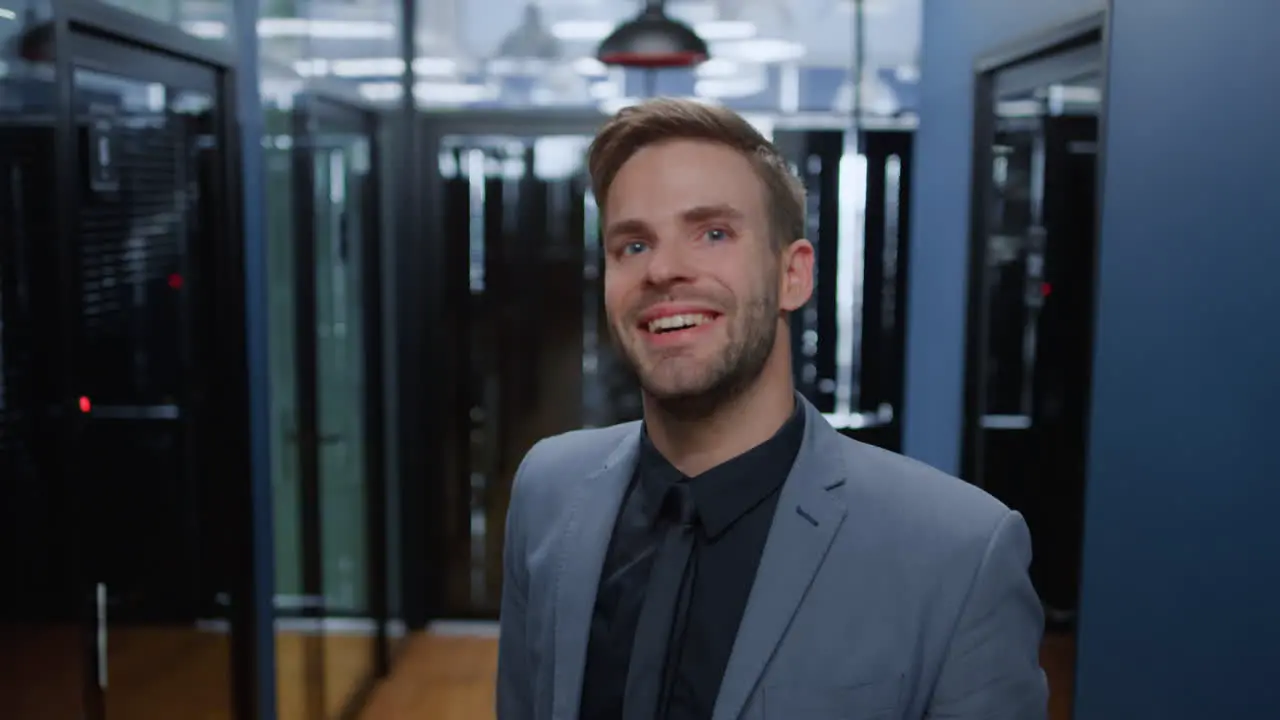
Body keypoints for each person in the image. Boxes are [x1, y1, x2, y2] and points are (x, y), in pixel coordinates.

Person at [496, 97, 1047, 720]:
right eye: (633, 245)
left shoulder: (960, 552)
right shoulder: (547, 490)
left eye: (713, 233)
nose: (665, 270)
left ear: (794, 275)